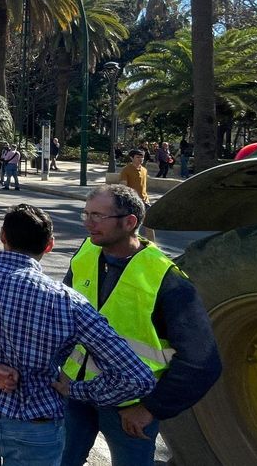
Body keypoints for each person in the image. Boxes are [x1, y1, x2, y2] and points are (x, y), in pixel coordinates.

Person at [0, 204, 156, 466]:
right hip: (36, 425)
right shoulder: (67, 302)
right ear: (49, 245)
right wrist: (77, 390)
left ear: (3, 236)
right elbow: (138, 377)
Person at [61, 185, 222, 466]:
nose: (88, 223)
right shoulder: (86, 252)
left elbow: (202, 362)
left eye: (97, 216)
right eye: (85, 214)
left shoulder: (166, 279)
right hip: (76, 394)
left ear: (130, 222)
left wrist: (150, 409)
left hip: (129, 408)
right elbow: (60, 316)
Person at [118, 149, 155, 241]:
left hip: (145, 201)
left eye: (142, 157)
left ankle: (153, 246)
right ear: (131, 158)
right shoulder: (126, 170)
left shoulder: (144, 170)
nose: (141, 159)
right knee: (134, 225)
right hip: (132, 202)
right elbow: (123, 187)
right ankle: (131, 245)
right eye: (138, 157)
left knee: (150, 224)